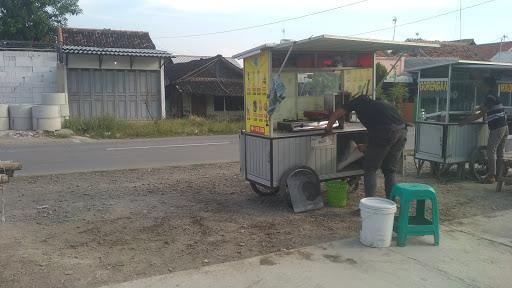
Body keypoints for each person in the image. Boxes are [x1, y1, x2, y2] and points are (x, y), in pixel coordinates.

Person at [326, 95, 407, 199]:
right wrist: (369, 146)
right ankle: (391, 203)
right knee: (389, 171)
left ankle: (370, 205)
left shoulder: (357, 103)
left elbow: (337, 113)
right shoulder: (379, 104)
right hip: (401, 132)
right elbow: (380, 129)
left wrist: (328, 129)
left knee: (370, 169)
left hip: (386, 132)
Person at [459, 80, 508, 184]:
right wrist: (475, 109)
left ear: (487, 86)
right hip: (503, 126)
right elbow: (482, 107)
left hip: (498, 127)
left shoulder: (490, 96)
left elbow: (481, 113)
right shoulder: (492, 96)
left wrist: (466, 121)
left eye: (482, 85)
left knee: (491, 150)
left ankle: (491, 176)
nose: (480, 87)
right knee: (499, 152)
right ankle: (499, 175)